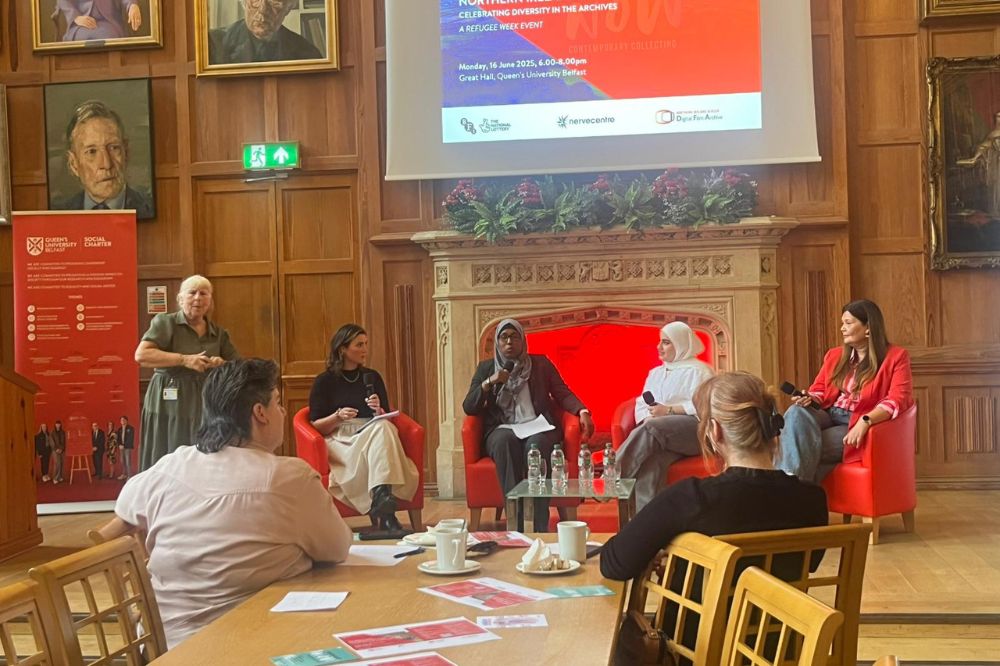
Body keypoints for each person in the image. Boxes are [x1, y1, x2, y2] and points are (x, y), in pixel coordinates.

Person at [108, 358, 352, 649]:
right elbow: (337, 549)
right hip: (255, 646)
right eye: (277, 402)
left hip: (167, 649)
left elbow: (121, 517)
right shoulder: (288, 477)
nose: (284, 411)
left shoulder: (166, 468)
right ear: (259, 413)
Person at [600, 371, 829, 582]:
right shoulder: (813, 499)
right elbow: (809, 563)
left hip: (696, 627)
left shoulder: (690, 498)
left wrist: (674, 546)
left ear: (714, 431)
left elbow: (614, 564)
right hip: (779, 626)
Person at [462, 318, 595, 532]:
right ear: (497, 343)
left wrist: (582, 410)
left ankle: (539, 522)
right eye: (504, 337)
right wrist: (490, 382)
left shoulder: (540, 364)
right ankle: (516, 520)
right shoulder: (486, 368)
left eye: (514, 336)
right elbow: (469, 406)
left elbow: (562, 392)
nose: (509, 342)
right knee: (504, 441)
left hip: (537, 425)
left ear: (523, 341)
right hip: (503, 429)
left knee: (537, 444)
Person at [777, 299, 913, 483]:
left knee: (798, 445)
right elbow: (819, 390)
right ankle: (794, 496)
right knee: (796, 412)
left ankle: (787, 495)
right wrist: (810, 397)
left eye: (848, 323)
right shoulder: (834, 355)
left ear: (868, 327)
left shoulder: (896, 357)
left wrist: (866, 421)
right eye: (842, 323)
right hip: (827, 413)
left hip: (855, 421)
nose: (842, 328)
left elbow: (898, 399)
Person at [309, 324, 418, 533]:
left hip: (372, 430)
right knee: (382, 431)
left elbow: (386, 415)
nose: (365, 349)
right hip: (341, 437)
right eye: (359, 344)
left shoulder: (372, 377)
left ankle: (383, 502)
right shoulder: (325, 381)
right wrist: (337, 416)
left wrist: (378, 410)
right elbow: (316, 425)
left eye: (366, 344)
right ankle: (386, 511)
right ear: (342, 349)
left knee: (383, 426)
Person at [135, 275, 238, 471]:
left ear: (210, 301)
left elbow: (238, 367)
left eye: (203, 293)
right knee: (169, 452)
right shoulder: (166, 323)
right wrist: (184, 359)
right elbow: (142, 355)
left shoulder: (219, 333)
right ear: (180, 298)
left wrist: (221, 364)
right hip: (169, 401)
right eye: (192, 293)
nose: (197, 298)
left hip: (205, 403)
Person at [615, 321, 715, 510]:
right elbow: (642, 402)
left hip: (695, 431)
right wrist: (648, 417)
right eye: (660, 342)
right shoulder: (656, 373)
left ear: (681, 344)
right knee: (652, 461)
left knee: (652, 428)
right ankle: (643, 522)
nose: (659, 347)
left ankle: (613, 476)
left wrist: (668, 411)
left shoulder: (700, 371)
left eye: (666, 342)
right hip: (662, 434)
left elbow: (705, 406)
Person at [53, 100, 154, 219]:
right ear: (73, 164)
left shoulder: (149, 209)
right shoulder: (58, 217)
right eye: (91, 151)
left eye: (113, 148)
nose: (106, 164)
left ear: (126, 152)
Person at [208, 0, 323, 66]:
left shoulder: (308, 54)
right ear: (244, 2)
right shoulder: (212, 44)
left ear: (289, 7)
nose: (263, 10)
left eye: (274, 2)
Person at [957, 110, 1000, 218]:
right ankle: (995, 211)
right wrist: (974, 158)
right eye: (998, 117)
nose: (999, 119)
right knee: (996, 189)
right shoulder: (993, 135)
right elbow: (983, 146)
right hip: (996, 167)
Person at [57, 0, 143, 42]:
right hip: (80, 24)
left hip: (108, 21)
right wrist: (76, 17)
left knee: (109, 38)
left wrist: (132, 5)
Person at [117, 415, 135, 480]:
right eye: (121, 420)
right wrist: (119, 445)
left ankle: (129, 476)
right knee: (122, 461)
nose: (122, 421)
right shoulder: (119, 429)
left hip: (127, 447)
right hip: (121, 448)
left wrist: (124, 445)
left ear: (127, 421)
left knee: (128, 461)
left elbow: (130, 439)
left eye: (124, 420)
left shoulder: (131, 428)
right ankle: (124, 474)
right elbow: (118, 439)